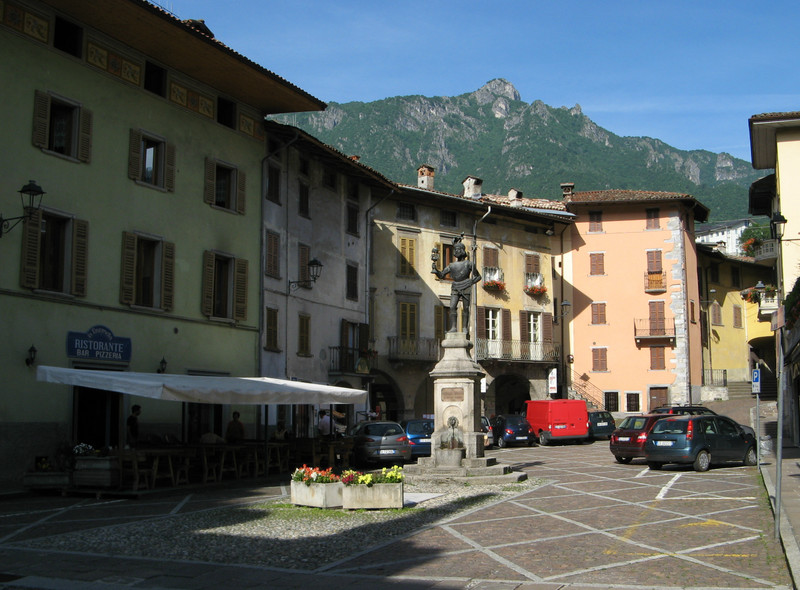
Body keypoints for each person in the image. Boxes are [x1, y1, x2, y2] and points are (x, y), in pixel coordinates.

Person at [432, 235, 482, 336]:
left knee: (466, 308)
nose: (456, 251)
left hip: (466, 286)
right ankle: (453, 327)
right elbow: (442, 275)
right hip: (455, 286)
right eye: (456, 249)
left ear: (463, 251)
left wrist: (470, 282)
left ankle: (464, 328)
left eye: (458, 249)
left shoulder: (469, 264)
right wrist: (436, 270)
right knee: (452, 307)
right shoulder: (451, 265)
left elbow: (478, 276)